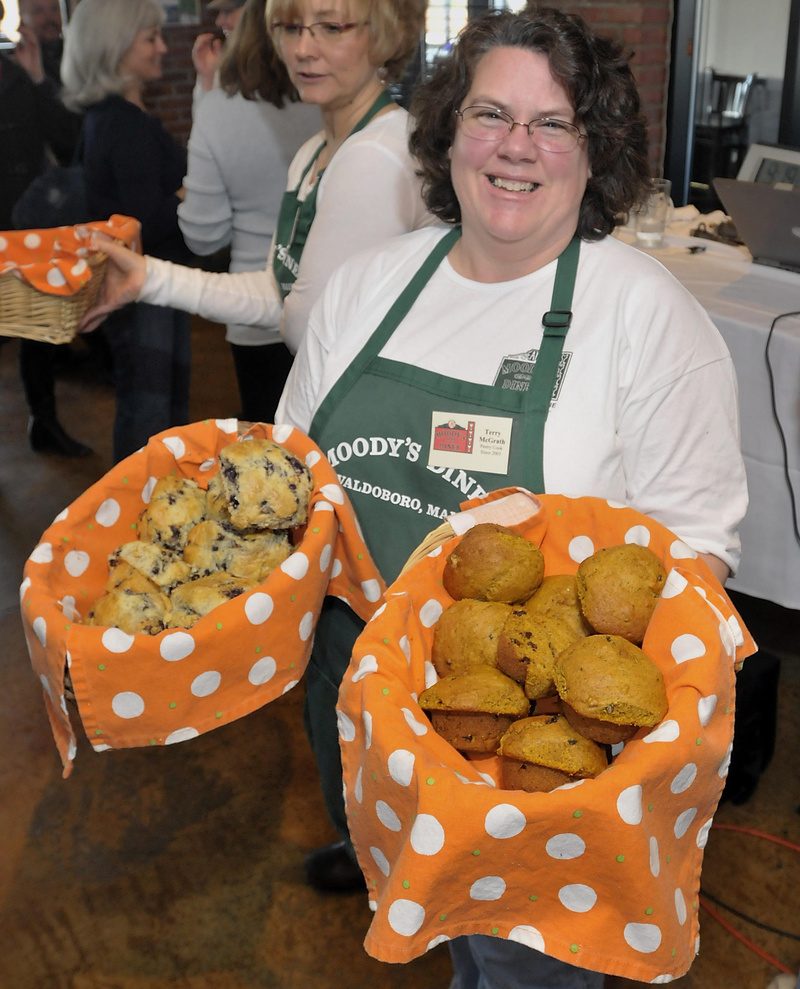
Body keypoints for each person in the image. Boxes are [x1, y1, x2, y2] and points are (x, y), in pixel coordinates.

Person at [274, 4, 748, 978]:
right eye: (489, 114)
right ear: (446, 130)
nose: (514, 148)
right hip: (353, 683)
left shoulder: (642, 314)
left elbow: (696, 549)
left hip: (533, 743)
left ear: (597, 147)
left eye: (551, 123)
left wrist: (589, 724)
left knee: (524, 962)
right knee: (433, 914)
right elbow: (296, 482)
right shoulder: (365, 286)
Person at [79, 0, 438, 356]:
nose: (302, 50)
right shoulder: (313, 151)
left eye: (331, 28)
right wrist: (148, 278)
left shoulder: (376, 155)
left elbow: (304, 330)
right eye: (291, 28)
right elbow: (276, 294)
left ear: (386, 38)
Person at [61, 0, 195, 464]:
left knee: (154, 412)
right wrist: (187, 193)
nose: (162, 47)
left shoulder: (110, 116)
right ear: (116, 47)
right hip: (142, 292)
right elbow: (145, 223)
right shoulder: (123, 123)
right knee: (152, 419)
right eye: (150, 38)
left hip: (147, 287)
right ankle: (139, 517)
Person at [178, 0, 318, 423]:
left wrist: (206, 93)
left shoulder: (219, 109)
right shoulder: (334, 101)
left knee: (269, 450)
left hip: (253, 307)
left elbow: (204, 236)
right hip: (330, 304)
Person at [0, 0, 91, 457]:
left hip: (24, 229)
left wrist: (37, 77)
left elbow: (68, 141)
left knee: (34, 335)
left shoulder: (21, 71)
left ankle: (44, 422)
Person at [192, 0, 246, 99]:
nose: (219, 22)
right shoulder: (224, 62)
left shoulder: (276, 65)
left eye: (228, 11)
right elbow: (206, 113)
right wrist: (207, 78)